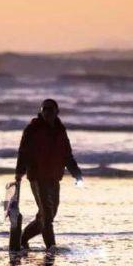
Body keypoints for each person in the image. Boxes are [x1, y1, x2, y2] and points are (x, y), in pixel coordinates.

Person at [14, 98, 83, 249]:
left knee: (49, 215)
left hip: (54, 177)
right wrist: (19, 171)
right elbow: (24, 152)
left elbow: (67, 155)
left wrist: (76, 174)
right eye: (44, 109)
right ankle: (51, 248)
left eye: (50, 109)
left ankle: (22, 238)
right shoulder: (33, 128)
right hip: (38, 177)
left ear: (56, 112)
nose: (46, 112)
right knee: (46, 213)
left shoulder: (60, 130)